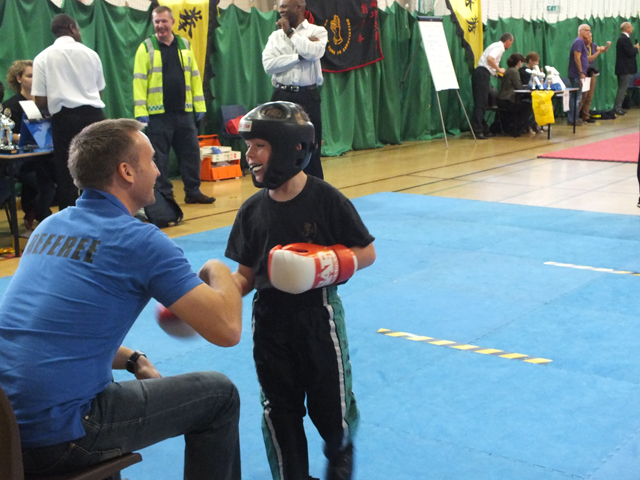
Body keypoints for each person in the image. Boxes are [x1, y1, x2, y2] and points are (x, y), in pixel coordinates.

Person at [0, 118, 243, 479]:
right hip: (54, 437)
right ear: (127, 172)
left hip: (8, 430)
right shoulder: (141, 241)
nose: (160, 170)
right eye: (152, 160)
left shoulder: (50, 226)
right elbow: (227, 330)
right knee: (219, 396)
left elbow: (53, 332)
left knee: (101, 387)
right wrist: (217, 269)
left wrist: (133, 359)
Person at [225, 102, 376, 480]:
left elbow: (367, 252)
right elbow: (244, 276)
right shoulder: (251, 211)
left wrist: (325, 265)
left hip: (319, 318)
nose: (250, 155)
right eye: (248, 146)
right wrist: (205, 297)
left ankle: (340, 453)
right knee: (279, 409)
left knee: (331, 406)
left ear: (288, 146)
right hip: (270, 322)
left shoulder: (325, 199)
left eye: (258, 145)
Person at [133, 5, 214, 205]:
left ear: (172, 22)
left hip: (185, 112)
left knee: (191, 154)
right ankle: (165, 195)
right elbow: (139, 81)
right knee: (159, 159)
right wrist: (141, 112)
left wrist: (200, 106)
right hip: (158, 115)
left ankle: (193, 192)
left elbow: (195, 77)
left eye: (164, 21)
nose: (160, 25)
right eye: (157, 22)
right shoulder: (146, 47)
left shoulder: (185, 45)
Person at [32, 13, 106, 211]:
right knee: (99, 167)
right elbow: (99, 91)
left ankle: (71, 220)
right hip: (94, 117)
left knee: (67, 173)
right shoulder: (91, 54)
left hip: (65, 120)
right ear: (72, 28)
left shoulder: (42, 58)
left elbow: (39, 100)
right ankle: (103, 211)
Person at [262, 0, 327, 179]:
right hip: (281, 95)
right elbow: (269, 65)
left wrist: (291, 34)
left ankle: (315, 194)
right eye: (280, 6)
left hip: (308, 96)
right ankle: (280, 188)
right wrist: (298, 56)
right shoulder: (275, 37)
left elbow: (314, 53)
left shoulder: (318, 31)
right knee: (280, 146)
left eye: (284, 6)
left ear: (298, 7)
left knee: (311, 148)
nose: (280, 10)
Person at [4, 60, 56, 230]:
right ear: (19, 79)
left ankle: (35, 213)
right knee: (43, 183)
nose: (34, 80)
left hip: (43, 154)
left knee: (58, 178)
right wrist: (25, 137)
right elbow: (7, 134)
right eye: (29, 76)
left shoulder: (42, 102)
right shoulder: (11, 105)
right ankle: (43, 217)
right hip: (21, 158)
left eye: (36, 76)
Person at [471, 33, 513, 140]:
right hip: (482, 74)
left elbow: (489, 64)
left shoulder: (495, 45)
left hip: (483, 74)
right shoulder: (500, 47)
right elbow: (490, 59)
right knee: (480, 103)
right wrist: (499, 69)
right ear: (508, 41)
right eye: (511, 43)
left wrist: (496, 74)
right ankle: (478, 131)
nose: (510, 46)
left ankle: (483, 129)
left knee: (484, 102)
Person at [497, 53, 534, 135]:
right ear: (519, 62)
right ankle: (516, 128)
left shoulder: (510, 70)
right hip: (507, 100)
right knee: (529, 106)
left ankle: (517, 127)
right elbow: (518, 86)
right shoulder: (514, 71)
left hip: (502, 99)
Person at [578, 32, 610, 123]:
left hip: (591, 73)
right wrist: (599, 52)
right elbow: (588, 59)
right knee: (583, 96)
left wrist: (607, 46)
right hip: (584, 73)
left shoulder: (593, 45)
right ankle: (576, 116)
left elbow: (602, 50)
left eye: (591, 36)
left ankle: (586, 116)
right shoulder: (582, 46)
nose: (590, 38)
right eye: (588, 36)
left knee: (589, 96)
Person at [567, 24, 592, 126]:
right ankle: (572, 119)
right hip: (576, 74)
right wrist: (581, 72)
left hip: (579, 74)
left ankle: (575, 118)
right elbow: (577, 58)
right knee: (575, 98)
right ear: (580, 31)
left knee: (578, 97)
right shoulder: (578, 42)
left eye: (589, 31)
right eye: (586, 30)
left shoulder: (582, 43)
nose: (589, 33)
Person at [614, 22, 639, 116]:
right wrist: (636, 49)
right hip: (624, 69)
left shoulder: (625, 39)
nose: (632, 28)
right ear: (626, 28)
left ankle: (619, 106)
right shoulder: (623, 39)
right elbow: (629, 52)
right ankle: (617, 107)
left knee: (623, 89)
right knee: (622, 88)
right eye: (631, 27)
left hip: (624, 68)